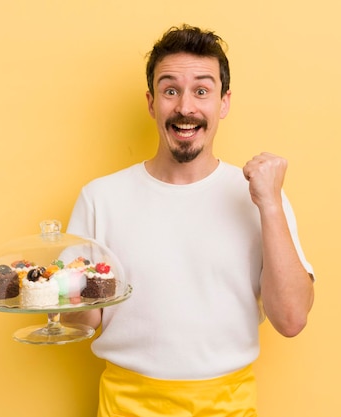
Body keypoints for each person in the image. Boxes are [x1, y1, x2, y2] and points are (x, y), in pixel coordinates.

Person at [63, 24, 315, 417]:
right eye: (170, 90)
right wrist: (57, 291)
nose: (185, 107)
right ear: (151, 102)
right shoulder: (100, 198)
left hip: (228, 407)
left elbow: (292, 319)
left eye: (201, 90)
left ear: (224, 102)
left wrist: (269, 204)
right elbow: (81, 323)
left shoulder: (262, 195)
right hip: (125, 405)